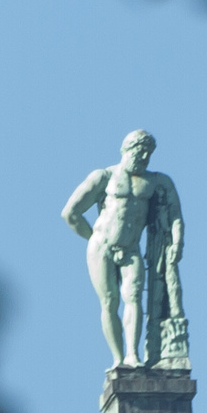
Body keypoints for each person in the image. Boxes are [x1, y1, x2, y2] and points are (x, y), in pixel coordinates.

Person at [62, 130, 184, 368]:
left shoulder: (156, 181)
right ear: (127, 150)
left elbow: (175, 214)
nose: (145, 157)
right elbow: (71, 213)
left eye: (148, 154)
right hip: (102, 247)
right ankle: (118, 359)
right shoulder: (104, 177)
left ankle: (132, 356)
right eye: (140, 152)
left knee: (134, 297)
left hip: (131, 249)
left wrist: (178, 241)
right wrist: (94, 239)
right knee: (110, 301)